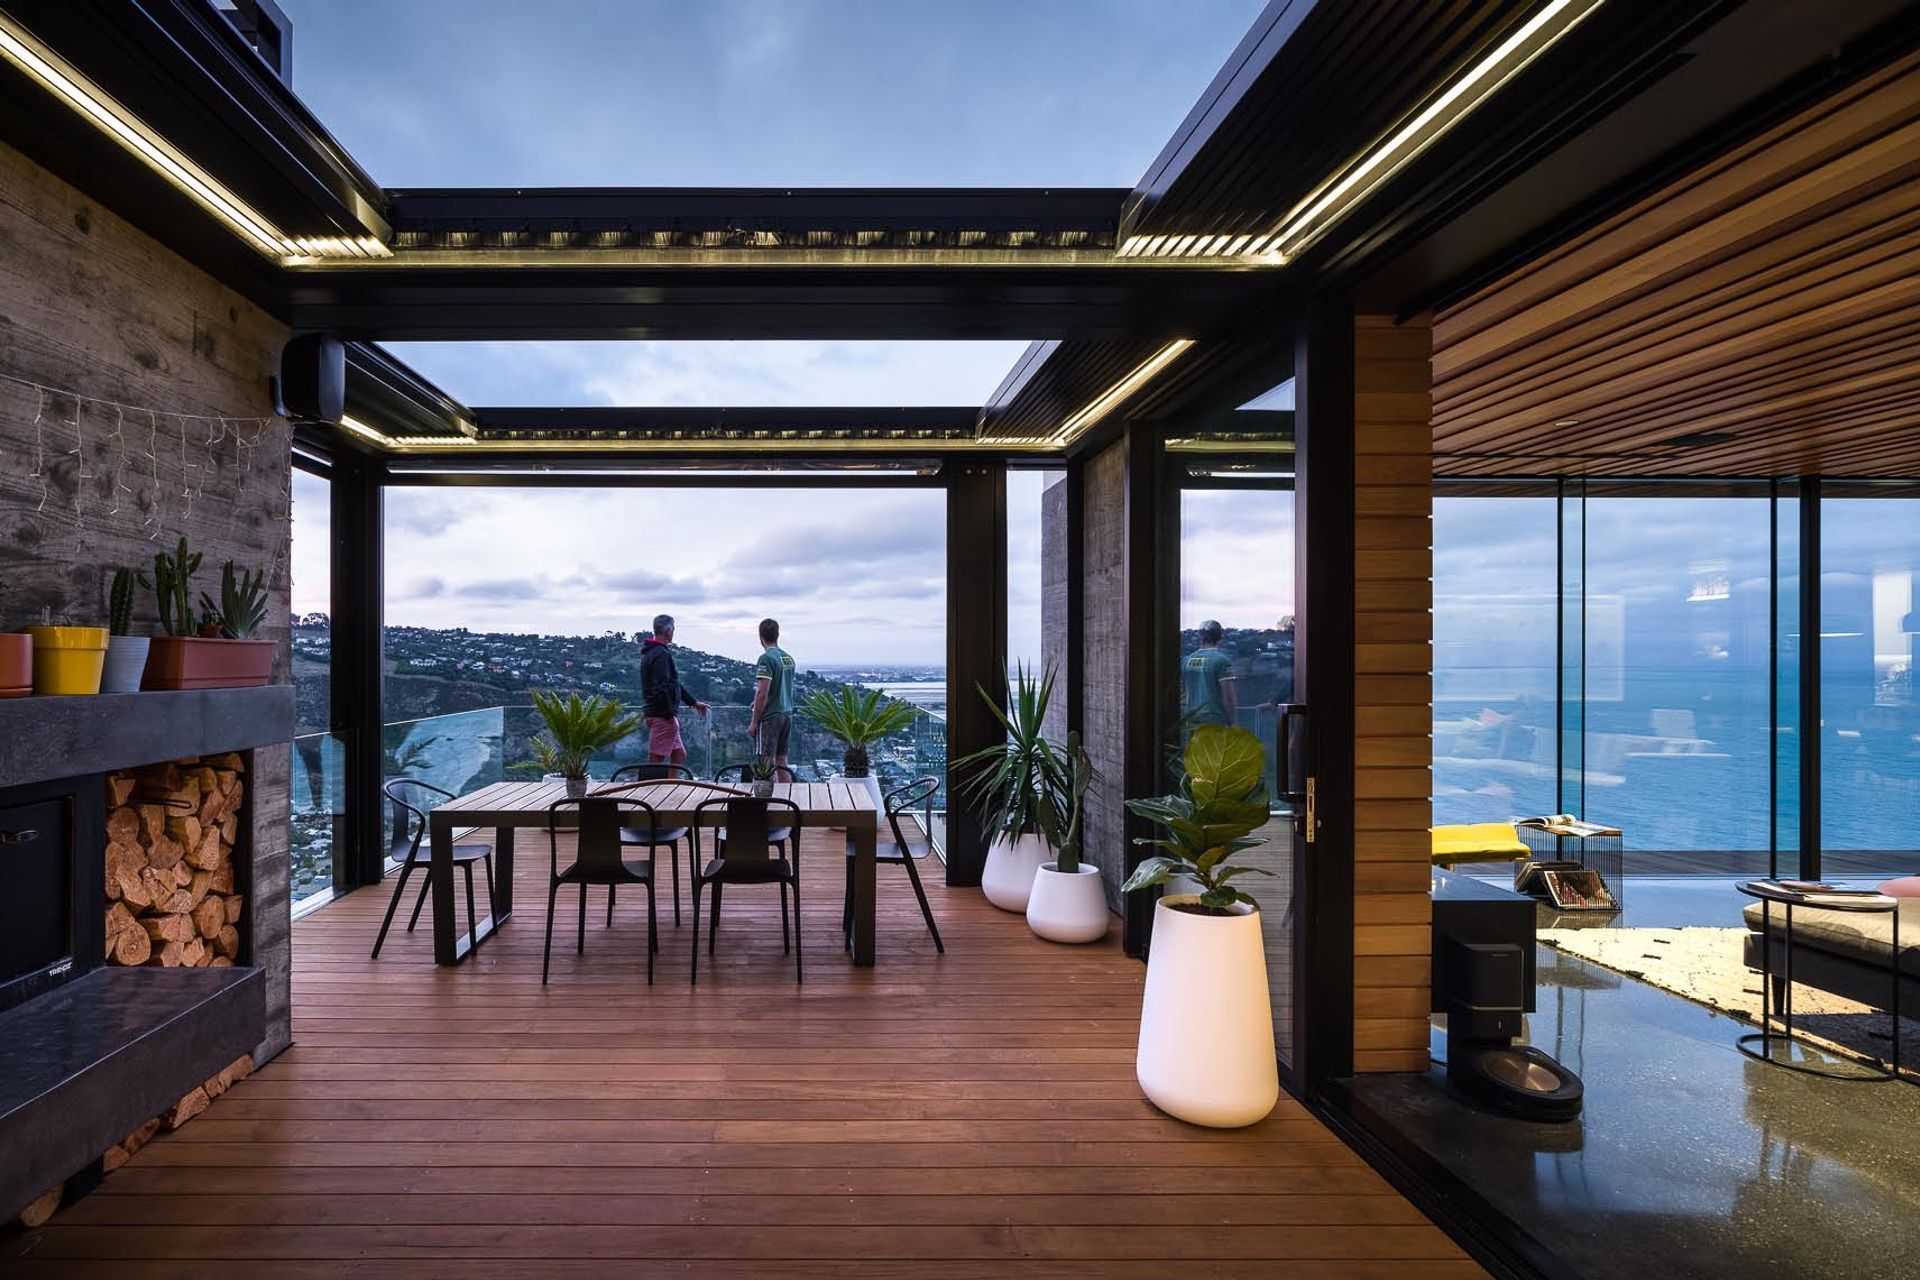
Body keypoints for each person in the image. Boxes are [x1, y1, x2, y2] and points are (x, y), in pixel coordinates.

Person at [639, 614, 708, 765]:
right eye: (673, 630)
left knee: (679, 754)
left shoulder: (651, 652)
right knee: (655, 760)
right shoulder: (661, 654)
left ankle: (671, 785)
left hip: (659, 713)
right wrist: (669, 714)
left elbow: (673, 684)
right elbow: (662, 687)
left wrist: (694, 703)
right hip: (662, 715)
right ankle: (649, 787)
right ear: (668, 631)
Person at [747, 617, 797, 771]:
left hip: (770, 716)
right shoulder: (788, 658)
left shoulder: (766, 659)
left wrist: (754, 722)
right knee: (782, 761)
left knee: (766, 761)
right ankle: (787, 793)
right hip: (786, 713)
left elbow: (763, 691)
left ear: (761, 637)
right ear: (777, 635)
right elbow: (781, 687)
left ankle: (768, 794)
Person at [1181, 619, 1237, 728]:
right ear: (1220, 637)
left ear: (1200, 637)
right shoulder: (1222, 661)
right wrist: (1232, 722)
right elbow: (1228, 696)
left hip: (1191, 716)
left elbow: (1183, 689)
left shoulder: (1187, 660)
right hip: (1214, 717)